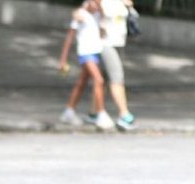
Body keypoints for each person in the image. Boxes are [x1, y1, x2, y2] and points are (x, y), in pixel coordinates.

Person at [57, 0, 114, 130]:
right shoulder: (81, 14)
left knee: (81, 82)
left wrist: (101, 13)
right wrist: (63, 59)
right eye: (96, 3)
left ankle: (69, 111)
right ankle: (101, 114)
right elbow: (69, 37)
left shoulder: (98, 15)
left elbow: (102, 32)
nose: (98, 6)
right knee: (99, 80)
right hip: (85, 53)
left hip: (95, 52)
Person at [94, 0, 137, 130]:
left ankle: (94, 111)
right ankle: (124, 114)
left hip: (118, 43)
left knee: (103, 79)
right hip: (106, 43)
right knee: (117, 77)